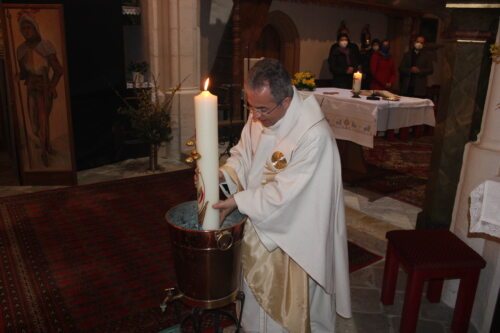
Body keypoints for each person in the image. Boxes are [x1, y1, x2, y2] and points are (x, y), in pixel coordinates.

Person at [213, 58, 351, 332]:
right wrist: (224, 173)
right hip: (261, 223)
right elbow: (243, 153)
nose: (255, 116)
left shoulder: (313, 135)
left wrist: (239, 201)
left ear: (286, 101)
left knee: (288, 312)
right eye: (250, 106)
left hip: (294, 237)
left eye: (262, 109)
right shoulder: (261, 115)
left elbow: (288, 195)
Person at [16, 13, 63, 167]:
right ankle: (46, 145)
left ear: (35, 28)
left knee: (43, 121)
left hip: (44, 87)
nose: (27, 30)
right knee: (34, 123)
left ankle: (44, 152)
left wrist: (51, 87)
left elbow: (58, 70)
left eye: (29, 27)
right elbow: (24, 73)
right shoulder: (21, 50)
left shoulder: (45, 45)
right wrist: (18, 75)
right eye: (23, 28)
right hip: (31, 87)